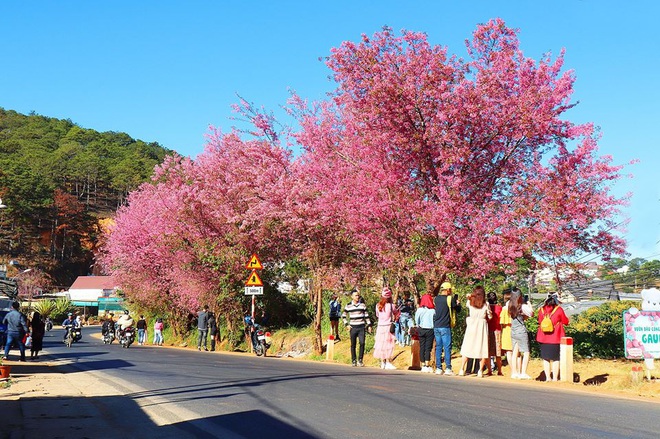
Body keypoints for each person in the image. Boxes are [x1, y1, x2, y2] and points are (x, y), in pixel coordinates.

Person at [458, 286, 492, 377]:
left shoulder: (470, 302)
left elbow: (467, 298)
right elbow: (490, 316)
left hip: (471, 326)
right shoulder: (486, 304)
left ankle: (462, 369)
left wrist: (470, 296)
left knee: (467, 347)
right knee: (482, 348)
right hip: (481, 327)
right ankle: (480, 371)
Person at [536, 293, 569, 381]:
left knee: (546, 359)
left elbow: (539, 321)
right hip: (556, 338)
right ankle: (555, 378)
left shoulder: (541, 310)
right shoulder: (559, 310)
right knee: (555, 359)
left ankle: (548, 378)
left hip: (543, 338)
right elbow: (566, 321)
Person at [433, 281, 462, 375]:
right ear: (448, 290)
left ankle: (438, 368)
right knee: (447, 347)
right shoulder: (450, 299)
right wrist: (458, 303)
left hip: (437, 326)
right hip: (445, 326)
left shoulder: (436, 299)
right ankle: (448, 368)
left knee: (438, 347)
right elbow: (458, 310)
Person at [341, 289, 372, 366]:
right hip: (353, 327)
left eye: (358, 295)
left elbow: (366, 316)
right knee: (353, 344)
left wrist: (369, 325)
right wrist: (347, 325)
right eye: (356, 295)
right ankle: (353, 360)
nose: (357, 297)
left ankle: (360, 360)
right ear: (352, 296)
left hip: (361, 327)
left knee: (362, 343)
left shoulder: (362, 305)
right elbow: (343, 316)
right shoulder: (348, 306)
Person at [507, 289, 532, 379]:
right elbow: (531, 313)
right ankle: (523, 372)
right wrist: (528, 303)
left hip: (513, 330)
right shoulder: (523, 306)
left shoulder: (509, 305)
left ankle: (514, 372)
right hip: (521, 330)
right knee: (526, 351)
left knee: (515, 352)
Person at [373, 287, 399, 370]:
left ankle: (382, 362)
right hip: (388, 327)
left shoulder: (378, 306)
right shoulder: (391, 306)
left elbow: (377, 315)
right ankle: (387, 362)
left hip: (380, 327)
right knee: (388, 345)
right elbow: (396, 313)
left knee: (381, 345)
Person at [414, 293, 435, 373]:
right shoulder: (433, 311)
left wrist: (419, 325)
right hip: (430, 330)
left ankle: (423, 365)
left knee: (422, 347)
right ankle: (427, 364)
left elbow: (417, 320)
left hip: (421, 329)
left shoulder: (419, 310)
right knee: (428, 348)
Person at [486, 291, 503, 376]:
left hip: (488, 331)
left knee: (488, 352)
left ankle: (489, 370)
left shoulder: (486, 308)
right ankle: (499, 371)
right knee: (498, 353)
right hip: (497, 331)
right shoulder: (499, 308)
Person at [499, 289, 514, 377]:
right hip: (515, 329)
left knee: (509, 352)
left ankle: (513, 369)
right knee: (516, 352)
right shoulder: (516, 307)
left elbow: (502, 322)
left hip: (506, 330)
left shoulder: (504, 309)